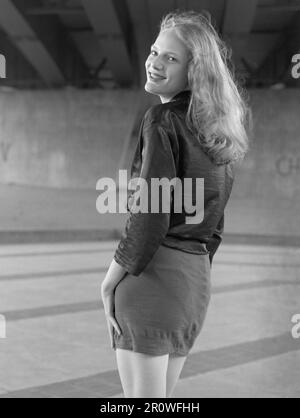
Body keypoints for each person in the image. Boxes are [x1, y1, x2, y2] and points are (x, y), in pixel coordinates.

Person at [101, 10, 250, 398]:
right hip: (193, 283)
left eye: (171, 57)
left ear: (195, 70)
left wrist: (110, 280)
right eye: (154, 51)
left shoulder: (162, 119)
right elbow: (215, 227)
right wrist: (191, 276)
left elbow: (149, 214)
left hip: (152, 277)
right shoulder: (218, 132)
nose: (154, 62)